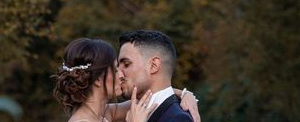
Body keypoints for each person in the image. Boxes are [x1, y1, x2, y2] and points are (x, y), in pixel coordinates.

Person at [53, 37, 200, 122]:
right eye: (115, 69)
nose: (121, 74)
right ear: (98, 79)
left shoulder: (104, 113)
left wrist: (185, 94)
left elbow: (152, 98)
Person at [116, 30, 194, 122]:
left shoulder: (178, 118)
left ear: (153, 66)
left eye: (126, 64)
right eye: (117, 66)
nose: (119, 73)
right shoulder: (131, 114)